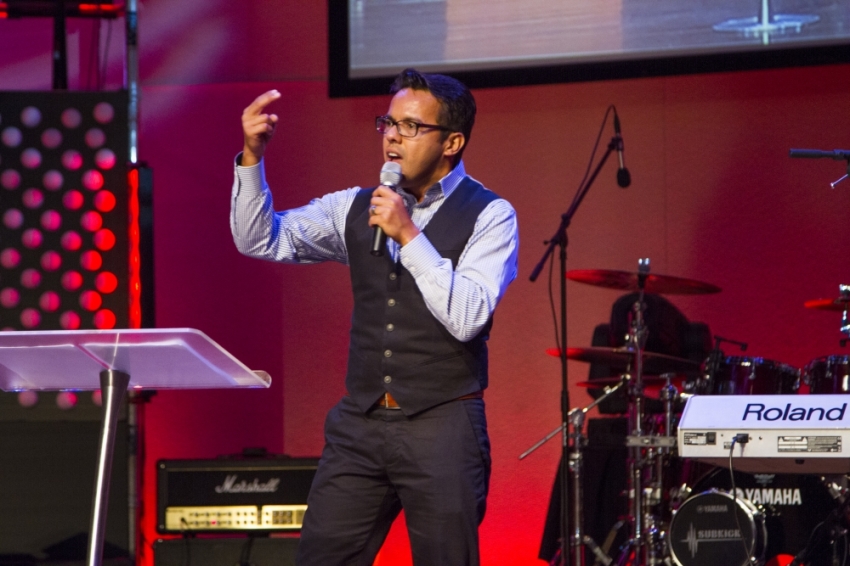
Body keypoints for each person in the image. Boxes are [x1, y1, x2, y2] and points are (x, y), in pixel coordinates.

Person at [231, 68, 519, 566]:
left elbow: (468, 316)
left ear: (452, 141)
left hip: (441, 422)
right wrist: (253, 161)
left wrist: (409, 235)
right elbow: (260, 238)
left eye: (410, 126)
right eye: (388, 122)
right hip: (360, 423)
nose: (391, 136)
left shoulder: (491, 215)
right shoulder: (355, 206)